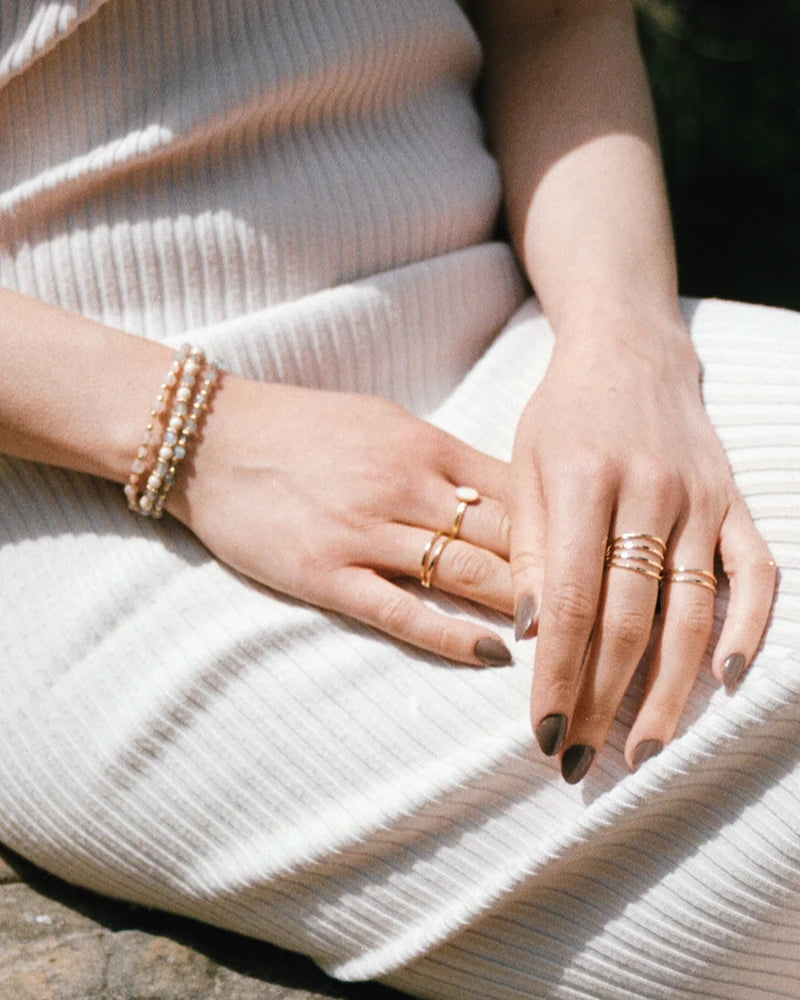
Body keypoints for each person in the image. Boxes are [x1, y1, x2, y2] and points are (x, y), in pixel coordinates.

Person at [1, 1, 798, 997]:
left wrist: (621, 344)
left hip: (520, 337)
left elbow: (552, 22)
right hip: (95, 486)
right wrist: (199, 432)